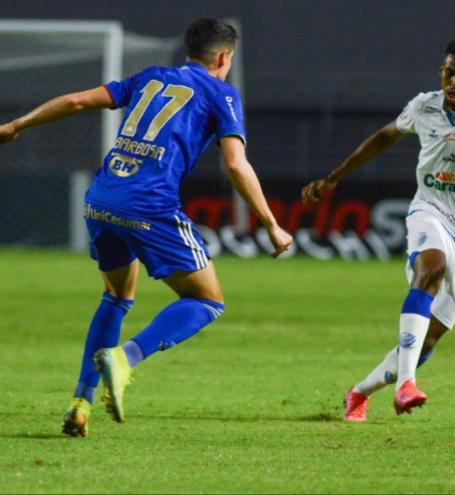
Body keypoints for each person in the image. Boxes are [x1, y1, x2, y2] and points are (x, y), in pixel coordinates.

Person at [0, 19, 292, 437]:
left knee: (117, 296)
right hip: (150, 206)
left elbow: (78, 101)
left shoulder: (150, 77)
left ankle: (81, 403)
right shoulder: (222, 93)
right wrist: (271, 223)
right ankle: (125, 358)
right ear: (224, 57)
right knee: (207, 301)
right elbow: (235, 163)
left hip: (102, 198)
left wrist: (16, 126)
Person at [302, 39, 455, 421]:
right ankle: (406, 384)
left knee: (428, 338)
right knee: (431, 267)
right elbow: (385, 136)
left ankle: (359, 392)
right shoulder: (424, 106)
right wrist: (334, 178)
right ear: (441, 71)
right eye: (449, 73)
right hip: (430, 210)